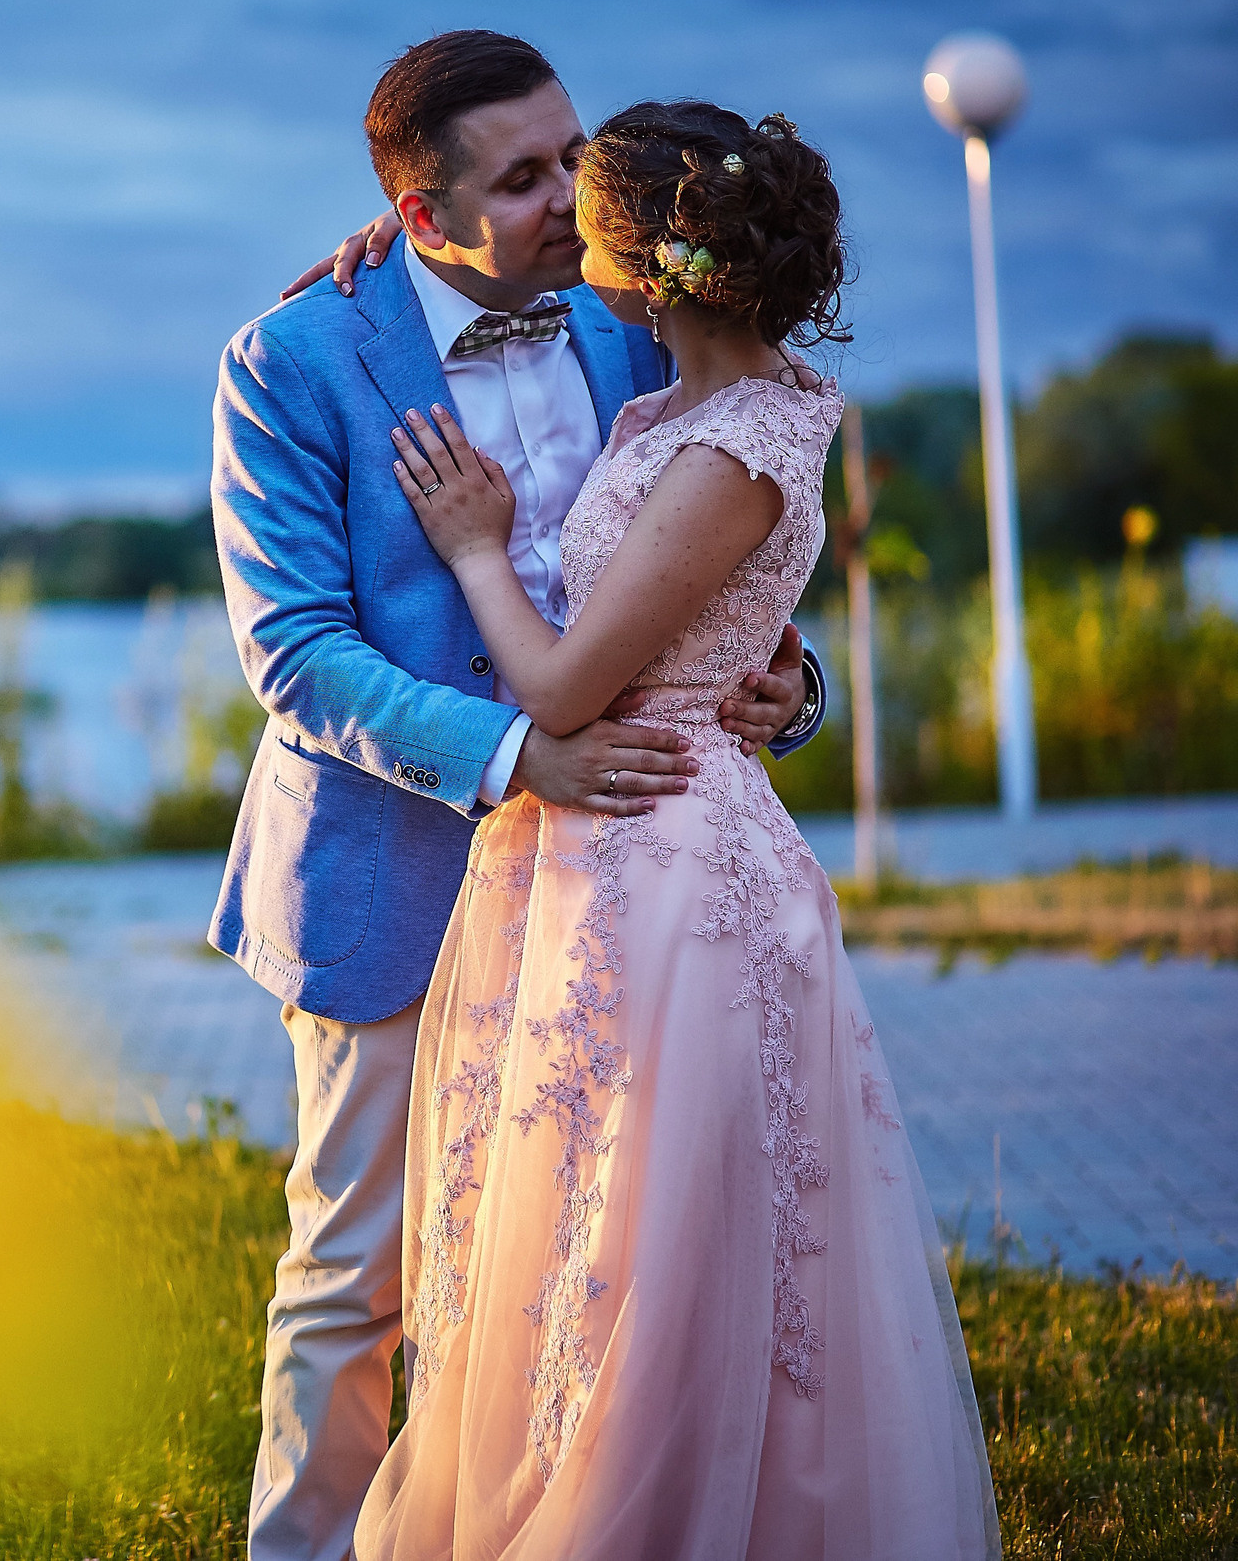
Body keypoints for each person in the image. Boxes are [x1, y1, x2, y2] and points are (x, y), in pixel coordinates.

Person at [205, 31, 827, 1561]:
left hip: (624, 889)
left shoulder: (637, 309)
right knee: (360, 1275)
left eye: (574, 150)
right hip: (392, 873)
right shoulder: (290, 362)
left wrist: (800, 689)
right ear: (420, 218)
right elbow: (294, 651)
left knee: (596, 1259)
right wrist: (513, 758)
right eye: (526, 176)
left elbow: (734, 551)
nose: (575, 197)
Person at [361, 100, 998, 1557]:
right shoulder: (665, 408)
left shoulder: (741, 441)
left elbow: (573, 681)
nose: (560, 224)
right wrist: (390, 232)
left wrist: (472, 546)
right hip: (604, 852)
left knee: (664, 1233)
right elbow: (711, 623)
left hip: (672, 862)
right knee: (577, 1214)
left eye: (581, 206)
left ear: (649, 263)